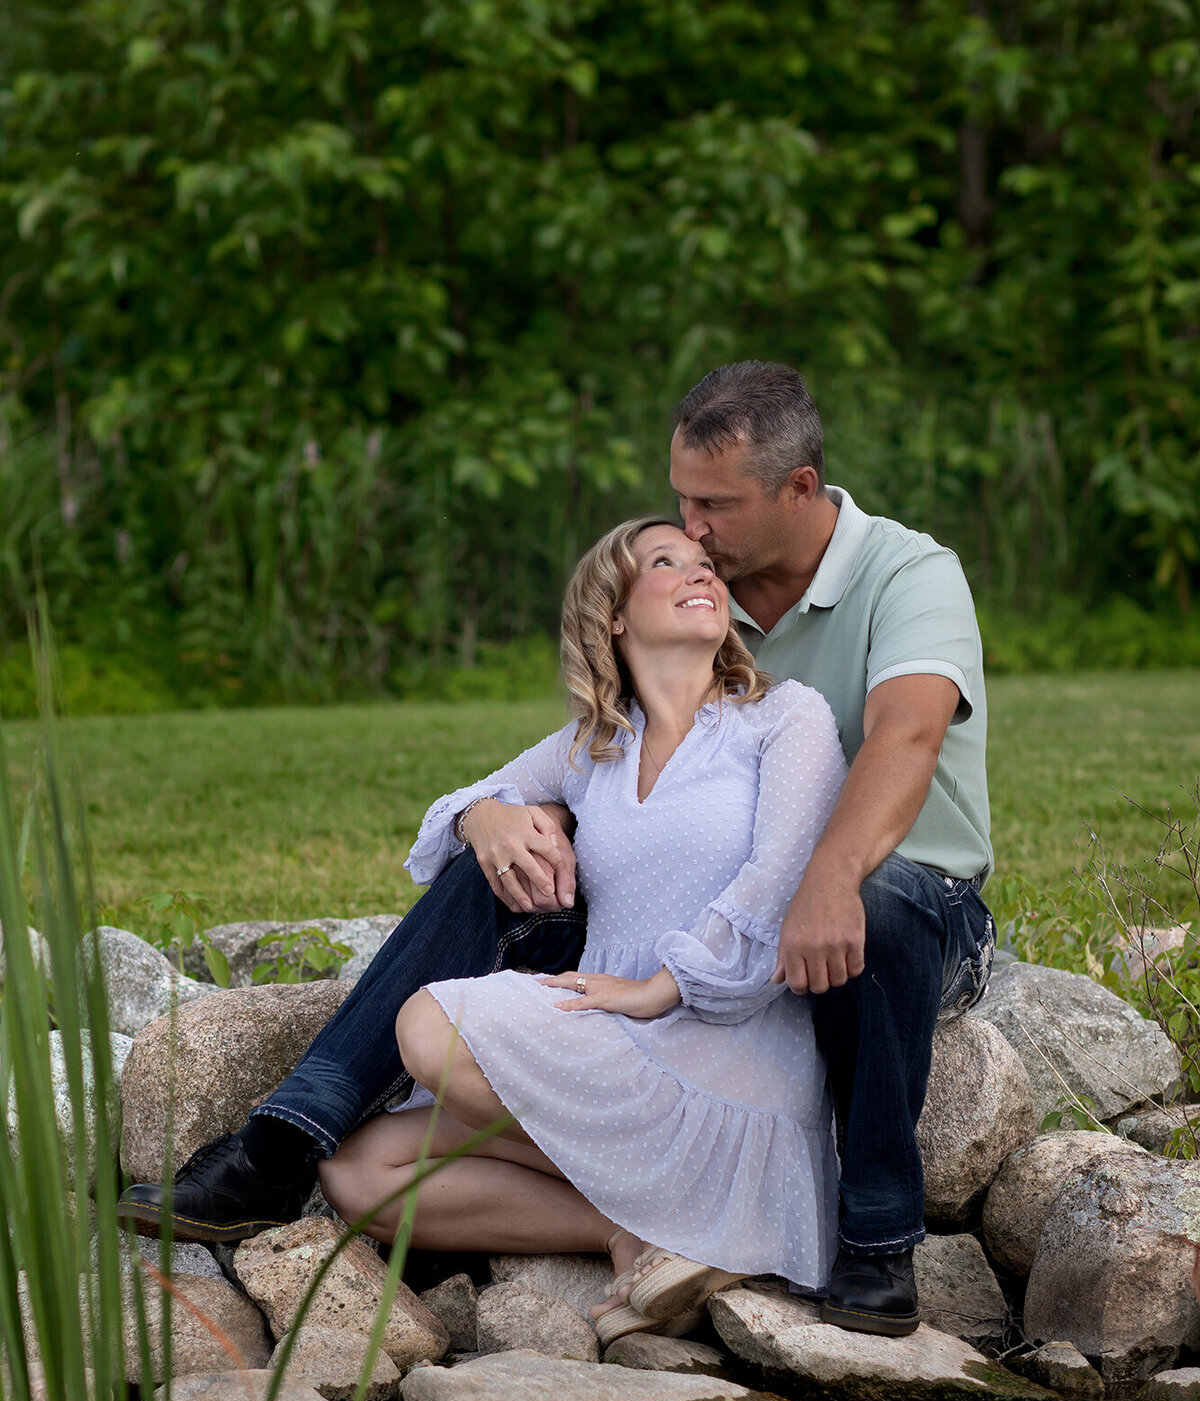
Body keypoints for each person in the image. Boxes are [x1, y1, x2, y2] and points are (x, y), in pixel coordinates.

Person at [117, 361, 994, 1337]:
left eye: (715, 508)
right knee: (491, 877)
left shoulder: (907, 578)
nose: (692, 534)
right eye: (678, 509)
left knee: (875, 905)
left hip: (899, 907)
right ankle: (292, 1142)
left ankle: (874, 1239)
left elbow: (905, 737)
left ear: (800, 489)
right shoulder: (714, 610)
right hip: (699, 960)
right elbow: (606, 767)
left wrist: (827, 879)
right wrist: (483, 819)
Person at [314, 518, 846, 1334]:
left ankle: (697, 1213)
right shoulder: (591, 747)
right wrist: (484, 819)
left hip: (727, 1033)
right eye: (665, 563)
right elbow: (444, 817)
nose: (699, 572)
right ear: (615, 618)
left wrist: (657, 987)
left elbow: (780, 883)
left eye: (706, 563)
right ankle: (630, 1227)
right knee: (358, 1173)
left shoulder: (782, 718)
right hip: (609, 1032)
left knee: (427, 1025)